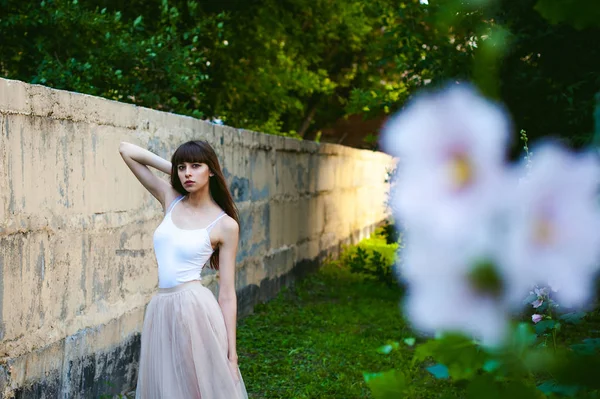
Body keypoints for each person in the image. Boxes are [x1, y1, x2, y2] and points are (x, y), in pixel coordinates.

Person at [119, 140, 248, 399]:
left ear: (212, 170)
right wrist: (181, 174)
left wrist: (232, 355)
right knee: (168, 386)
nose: (187, 172)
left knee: (196, 385)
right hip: (160, 308)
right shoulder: (171, 199)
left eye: (196, 166)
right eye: (182, 167)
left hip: (195, 308)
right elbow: (126, 150)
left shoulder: (225, 225)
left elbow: (227, 294)